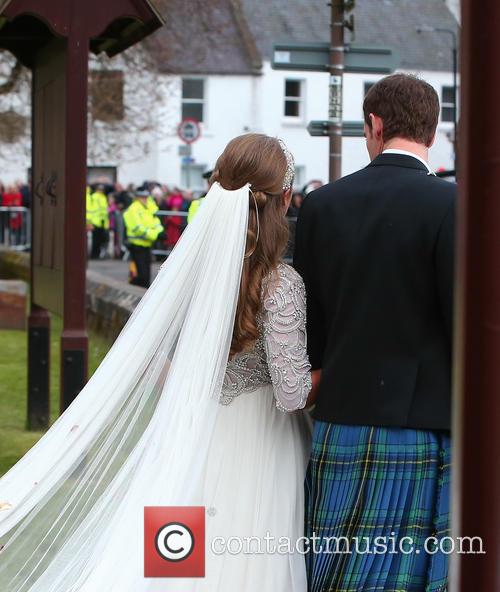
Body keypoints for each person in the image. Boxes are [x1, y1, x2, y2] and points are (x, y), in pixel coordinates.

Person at [0, 134, 315, 591]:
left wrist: (199, 382)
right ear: (284, 199)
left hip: (189, 430)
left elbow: (157, 363)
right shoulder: (281, 283)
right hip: (262, 441)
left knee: (175, 555)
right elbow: (292, 394)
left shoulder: (183, 269)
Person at [294, 73, 456, 591]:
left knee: (338, 571)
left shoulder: (321, 206)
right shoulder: (452, 206)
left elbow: (309, 324)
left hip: (341, 418)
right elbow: (462, 324)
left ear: (374, 124)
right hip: (425, 425)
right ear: (432, 133)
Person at [123, 189, 164, 288]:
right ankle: (135, 287)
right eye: (142, 197)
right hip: (137, 244)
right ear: (137, 198)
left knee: (146, 273)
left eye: (146, 197)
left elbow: (155, 222)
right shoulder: (134, 209)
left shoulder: (147, 208)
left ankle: (141, 289)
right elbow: (138, 228)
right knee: (142, 274)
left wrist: (160, 231)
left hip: (146, 244)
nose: (145, 199)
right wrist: (155, 234)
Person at [86, 184, 110, 259]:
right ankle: (94, 255)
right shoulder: (93, 197)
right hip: (95, 221)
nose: (101, 191)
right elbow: (90, 210)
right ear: (97, 189)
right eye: (100, 189)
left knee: (100, 240)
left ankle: (98, 255)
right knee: (95, 240)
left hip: (102, 222)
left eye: (102, 189)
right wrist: (89, 222)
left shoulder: (103, 197)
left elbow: (105, 211)